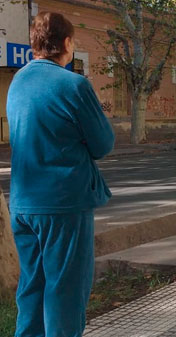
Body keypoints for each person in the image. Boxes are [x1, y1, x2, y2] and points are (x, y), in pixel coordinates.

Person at [6, 12, 114, 337]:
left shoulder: (18, 82)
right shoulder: (74, 84)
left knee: (32, 290)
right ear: (66, 43)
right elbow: (103, 144)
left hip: (24, 205)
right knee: (65, 293)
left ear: (35, 43)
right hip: (63, 205)